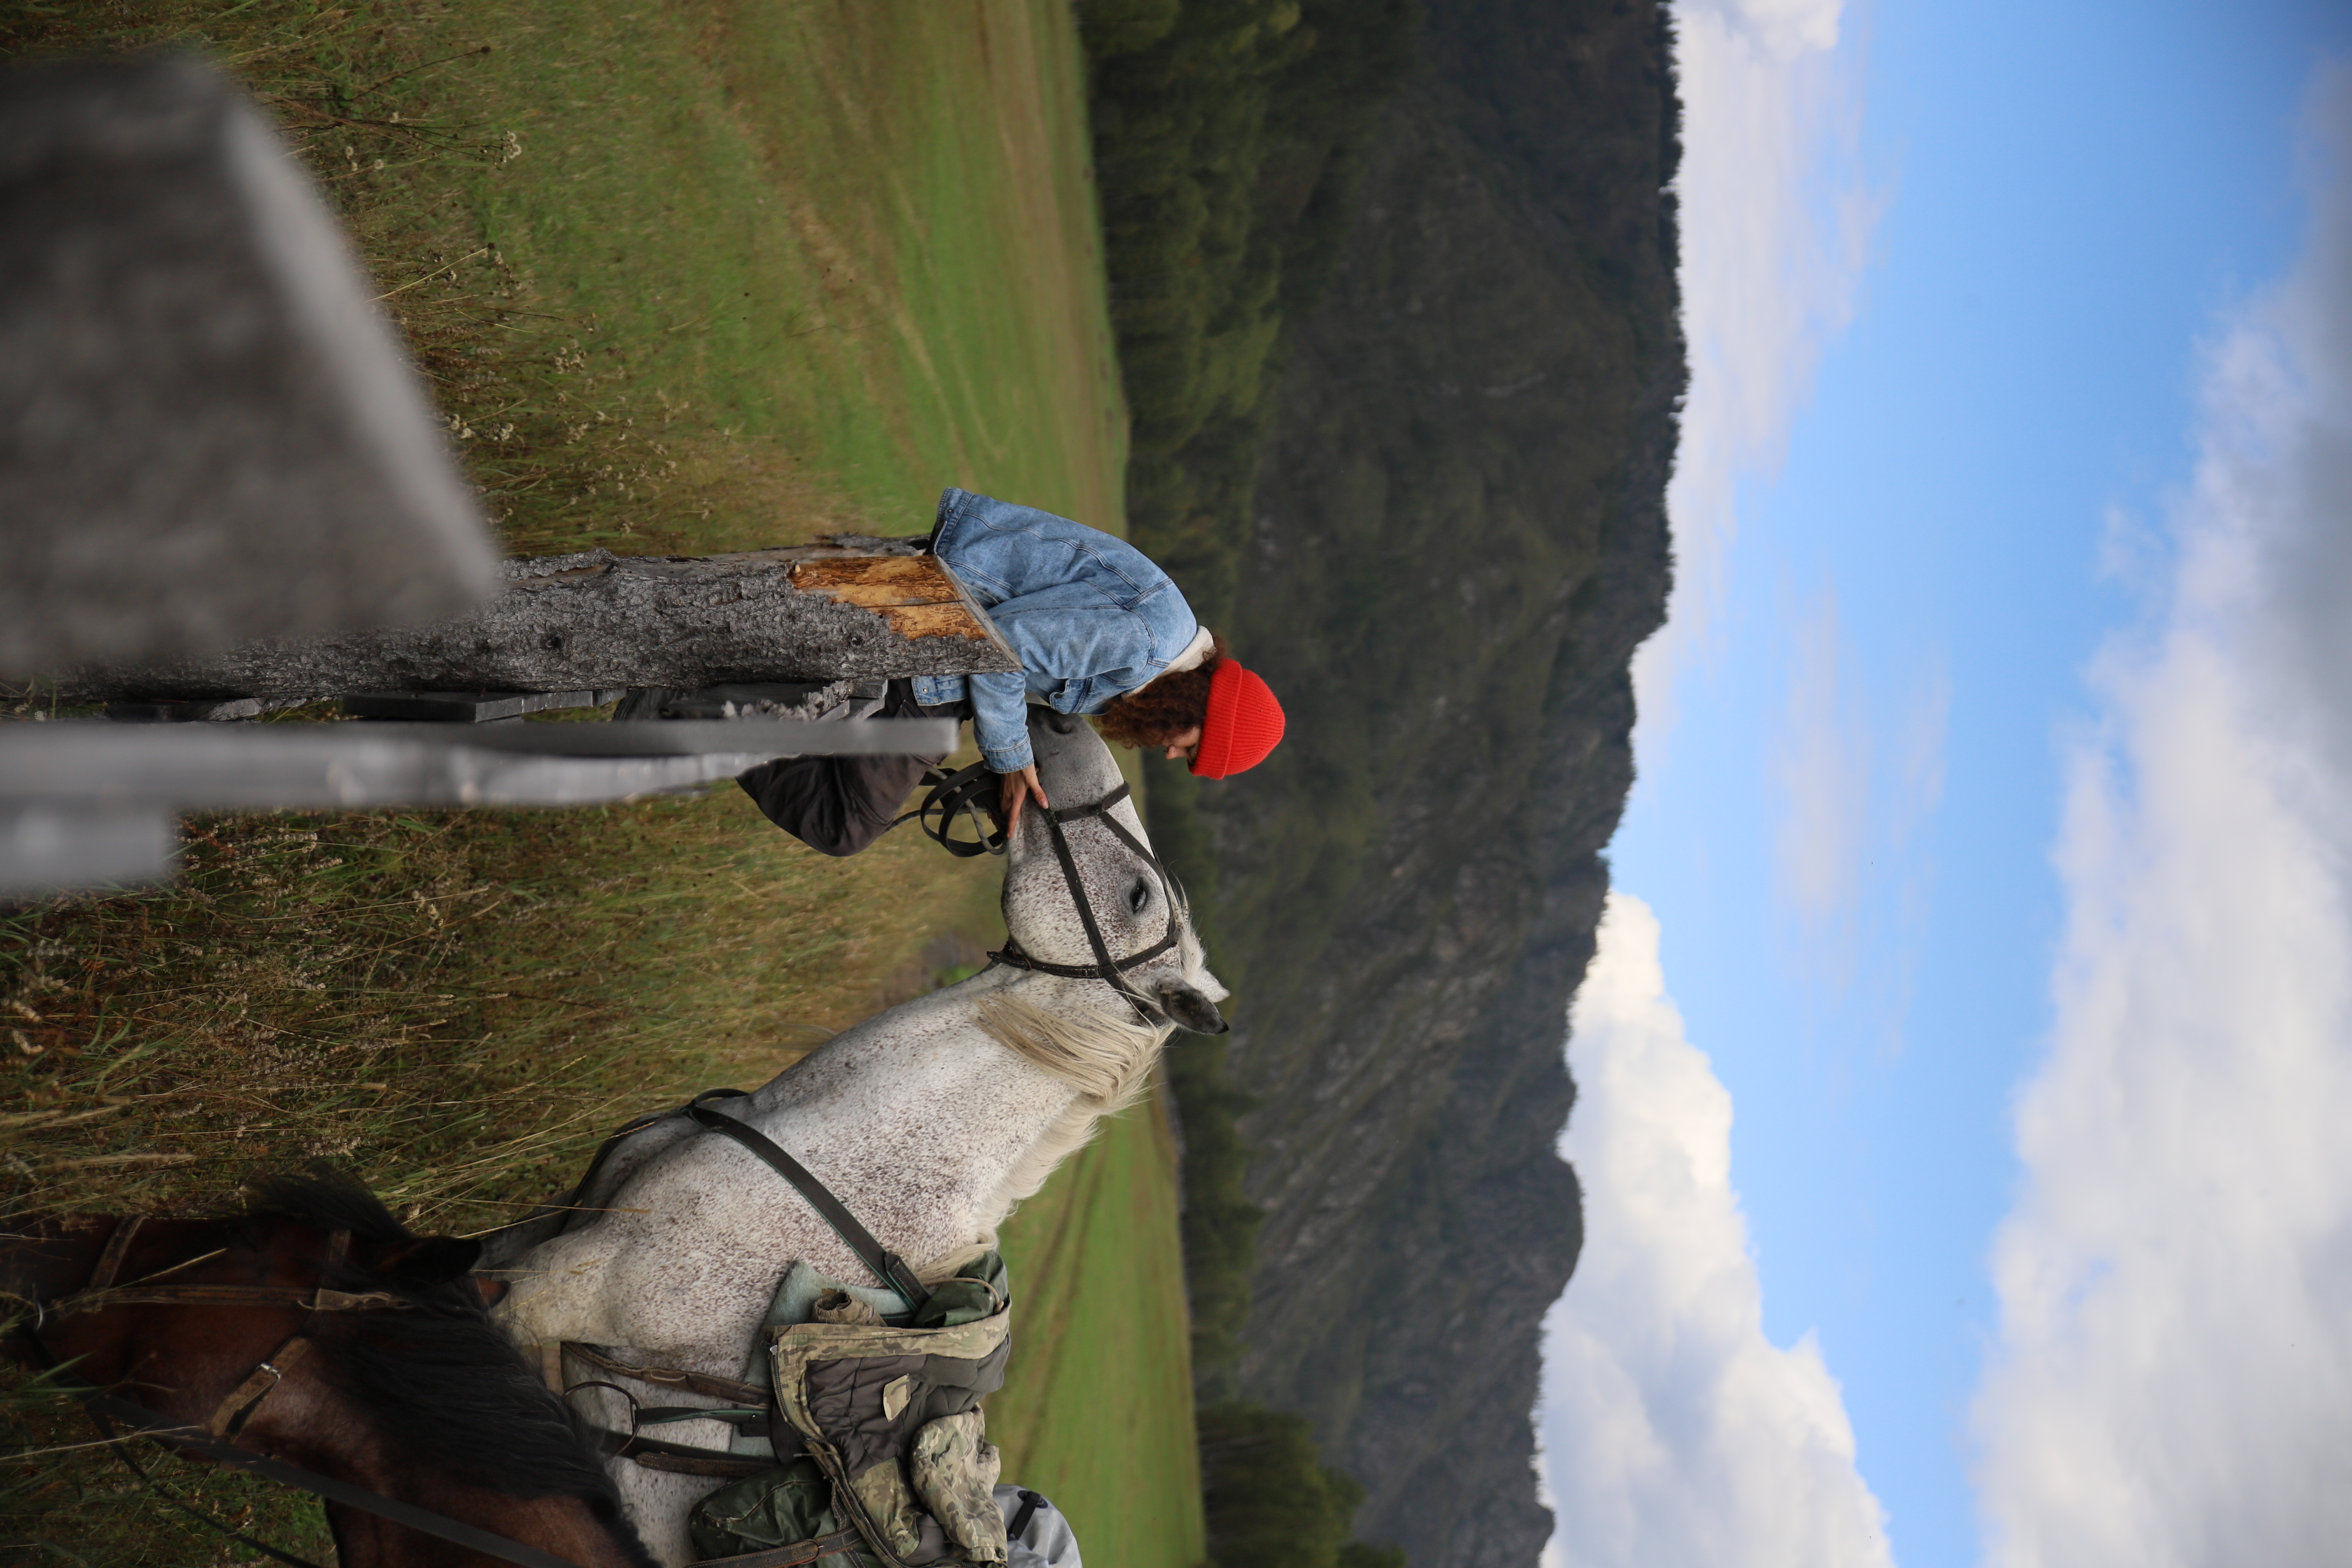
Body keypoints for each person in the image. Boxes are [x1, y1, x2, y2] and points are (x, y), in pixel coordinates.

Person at [735, 489, 1286, 855]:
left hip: (947, 646)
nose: (1171, 754)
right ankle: (726, 714)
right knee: (846, 824)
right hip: (934, 635)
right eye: (1190, 748)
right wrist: (1010, 757)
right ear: (1202, 708)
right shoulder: (1147, 642)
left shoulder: (1157, 655)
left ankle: (765, 714)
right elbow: (1006, 646)